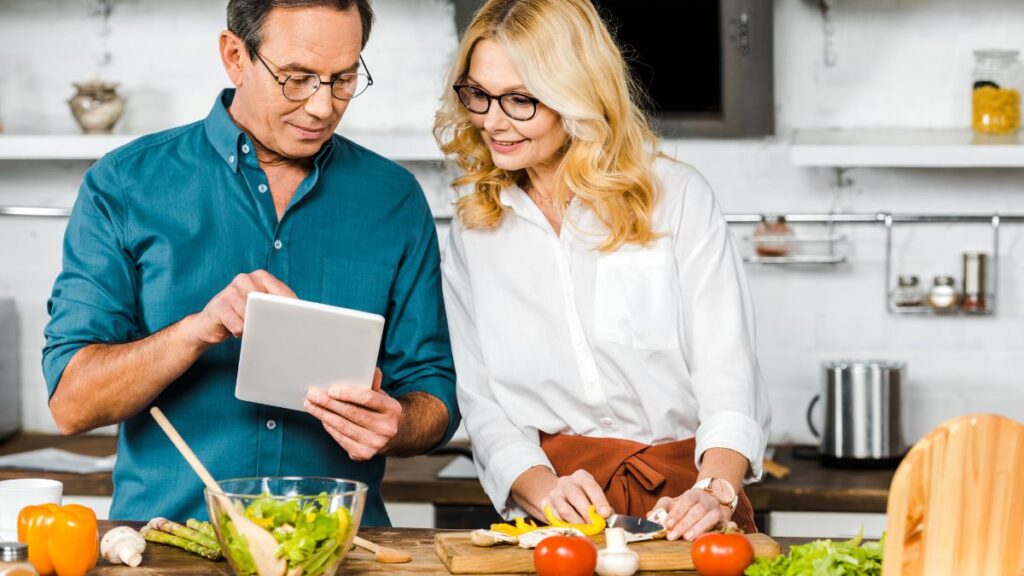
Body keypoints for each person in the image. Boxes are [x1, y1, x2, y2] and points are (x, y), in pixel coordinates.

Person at [42, 0, 458, 525]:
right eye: (297, 78)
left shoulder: (393, 198)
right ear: (235, 56)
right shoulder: (124, 184)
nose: (321, 107)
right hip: (170, 546)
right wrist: (198, 329)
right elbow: (72, 404)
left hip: (339, 547)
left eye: (343, 79)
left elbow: (434, 390)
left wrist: (398, 424)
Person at [435, 0, 771, 541]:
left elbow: (728, 373)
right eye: (478, 94)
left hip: (689, 507)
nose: (492, 121)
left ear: (578, 95)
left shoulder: (675, 198)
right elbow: (483, 399)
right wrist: (540, 485)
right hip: (558, 516)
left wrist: (716, 489)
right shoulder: (475, 228)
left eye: (521, 100)